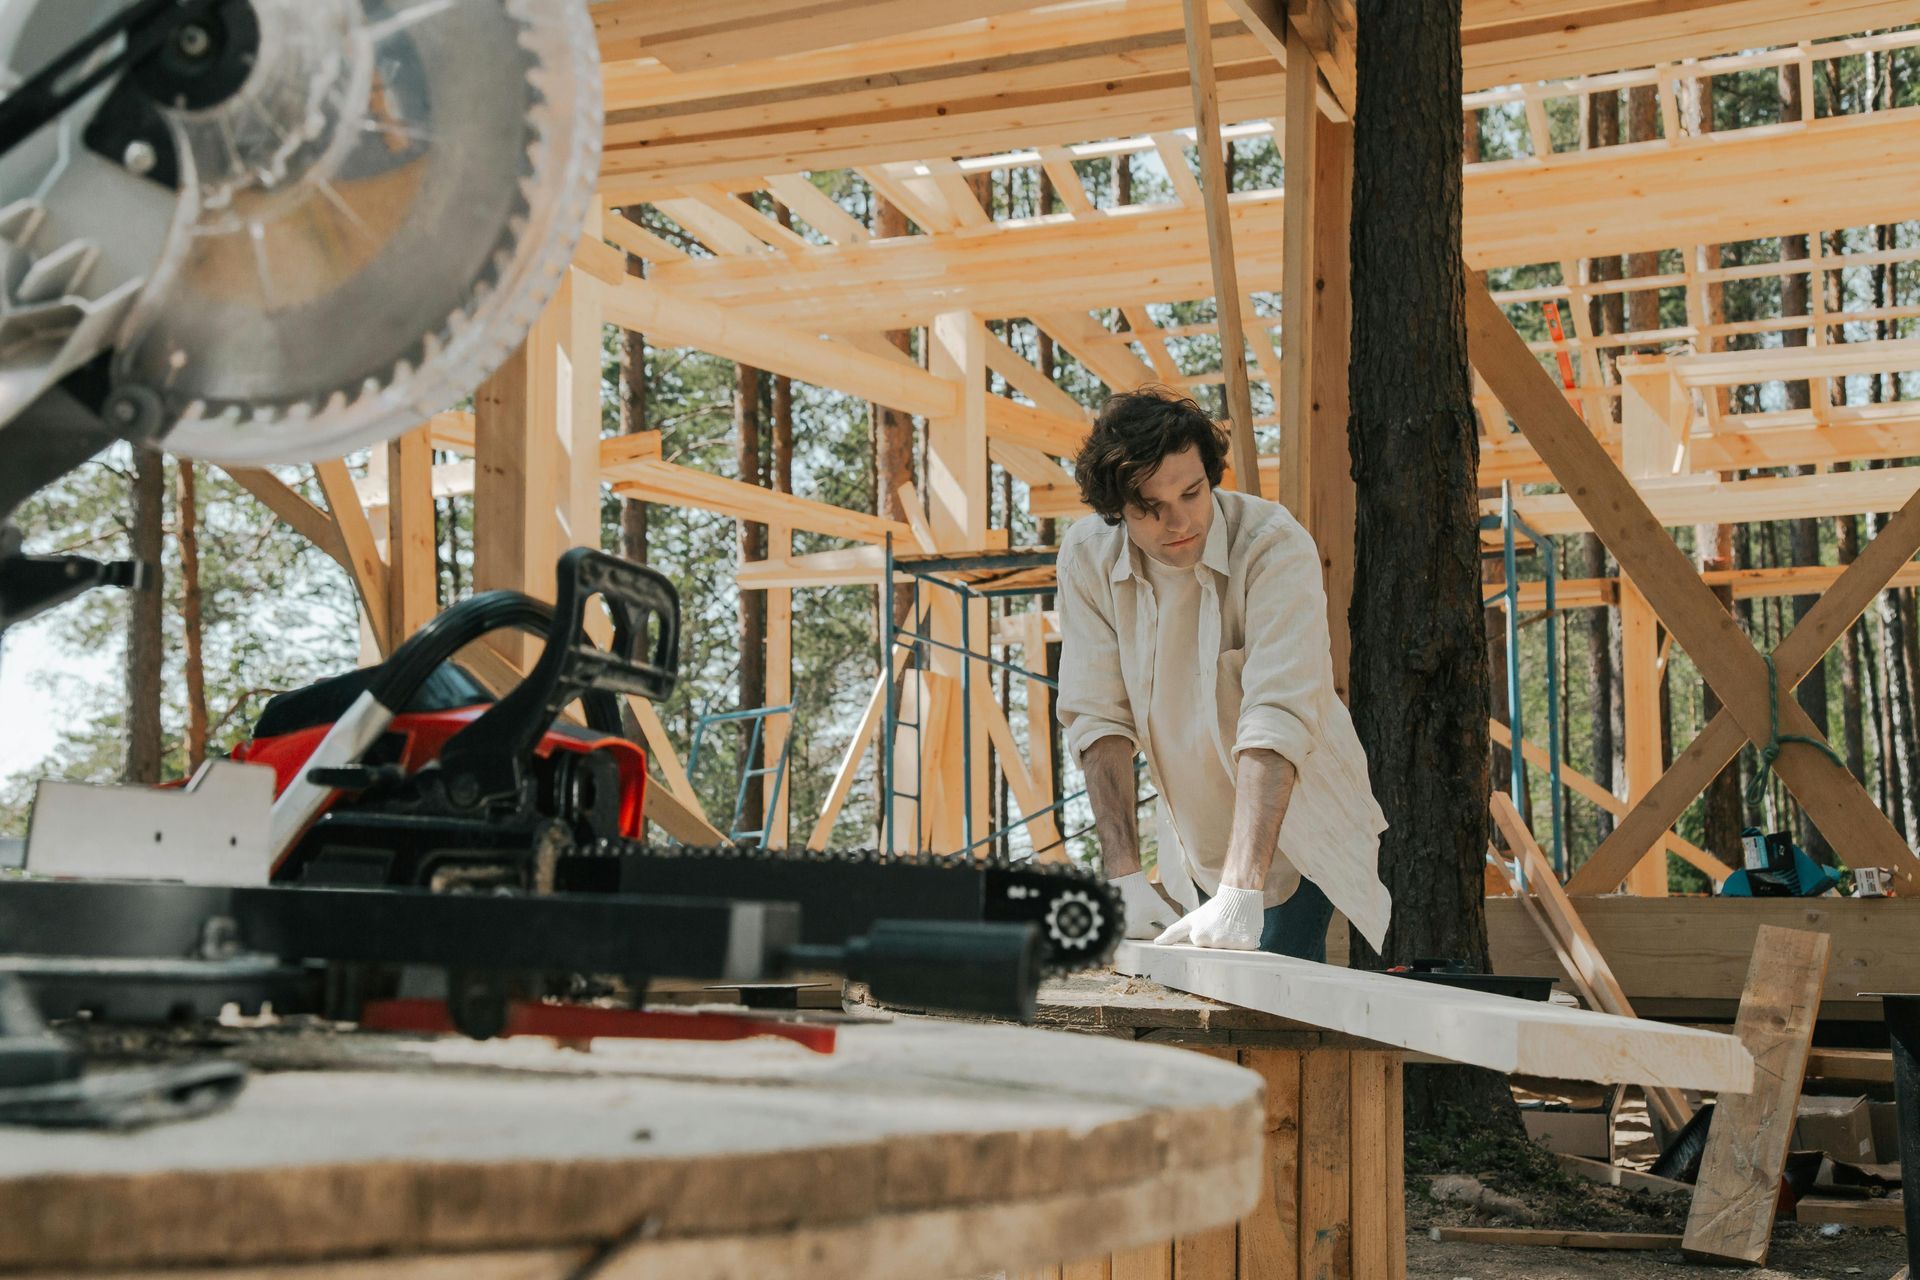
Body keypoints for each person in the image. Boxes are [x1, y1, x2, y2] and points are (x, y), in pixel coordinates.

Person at [1056, 387, 1391, 956]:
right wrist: (1123, 878)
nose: (1180, 521)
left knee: (1274, 1011)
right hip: (1193, 834)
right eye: (1149, 507)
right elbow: (1097, 716)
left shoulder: (1272, 545)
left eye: (1193, 492)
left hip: (1295, 828)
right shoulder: (1087, 557)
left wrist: (1241, 892)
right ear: (1116, 509)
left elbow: (1276, 718)